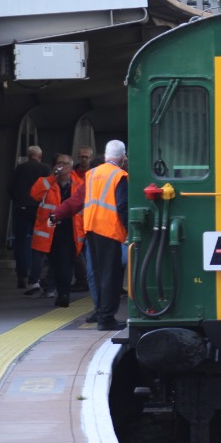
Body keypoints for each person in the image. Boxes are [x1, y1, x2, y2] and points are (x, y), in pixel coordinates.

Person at [53, 140, 127, 331]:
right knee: (111, 276)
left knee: (99, 275)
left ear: (104, 155)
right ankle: (106, 318)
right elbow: (122, 206)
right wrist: (131, 230)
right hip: (110, 231)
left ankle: (101, 314)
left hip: (91, 231)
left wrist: (56, 214)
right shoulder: (120, 175)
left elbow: (75, 201)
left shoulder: (92, 174)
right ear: (123, 157)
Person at [30, 154, 85, 307]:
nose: (61, 166)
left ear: (71, 167)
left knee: (66, 263)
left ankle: (63, 293)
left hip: (70, 230)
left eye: (65, 164)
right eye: (59, 163)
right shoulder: (47, 182)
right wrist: (52, 177)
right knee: (54, 262)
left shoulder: (79, 184)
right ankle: (54, 289)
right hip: (51, 229)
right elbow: (35, 194)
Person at [10, 146, 50, 289]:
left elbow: (12, 188)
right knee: (39, 242)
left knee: (20, 242)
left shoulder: (20, 169)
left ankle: (22, 274)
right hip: (39, 209)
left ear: (28, 156)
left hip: (22, 208)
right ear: (40, 156)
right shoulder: (45, 169)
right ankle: (36, 275)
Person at [70, 145, 95, 290]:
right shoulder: (74, 173)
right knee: (77, 250)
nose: (83, 159)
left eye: (86, 157)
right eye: (81, 157)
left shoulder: (94, 173)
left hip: (90, 217)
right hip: (77, 218)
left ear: (91, 158)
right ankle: (82, 279)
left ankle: (87, 279)